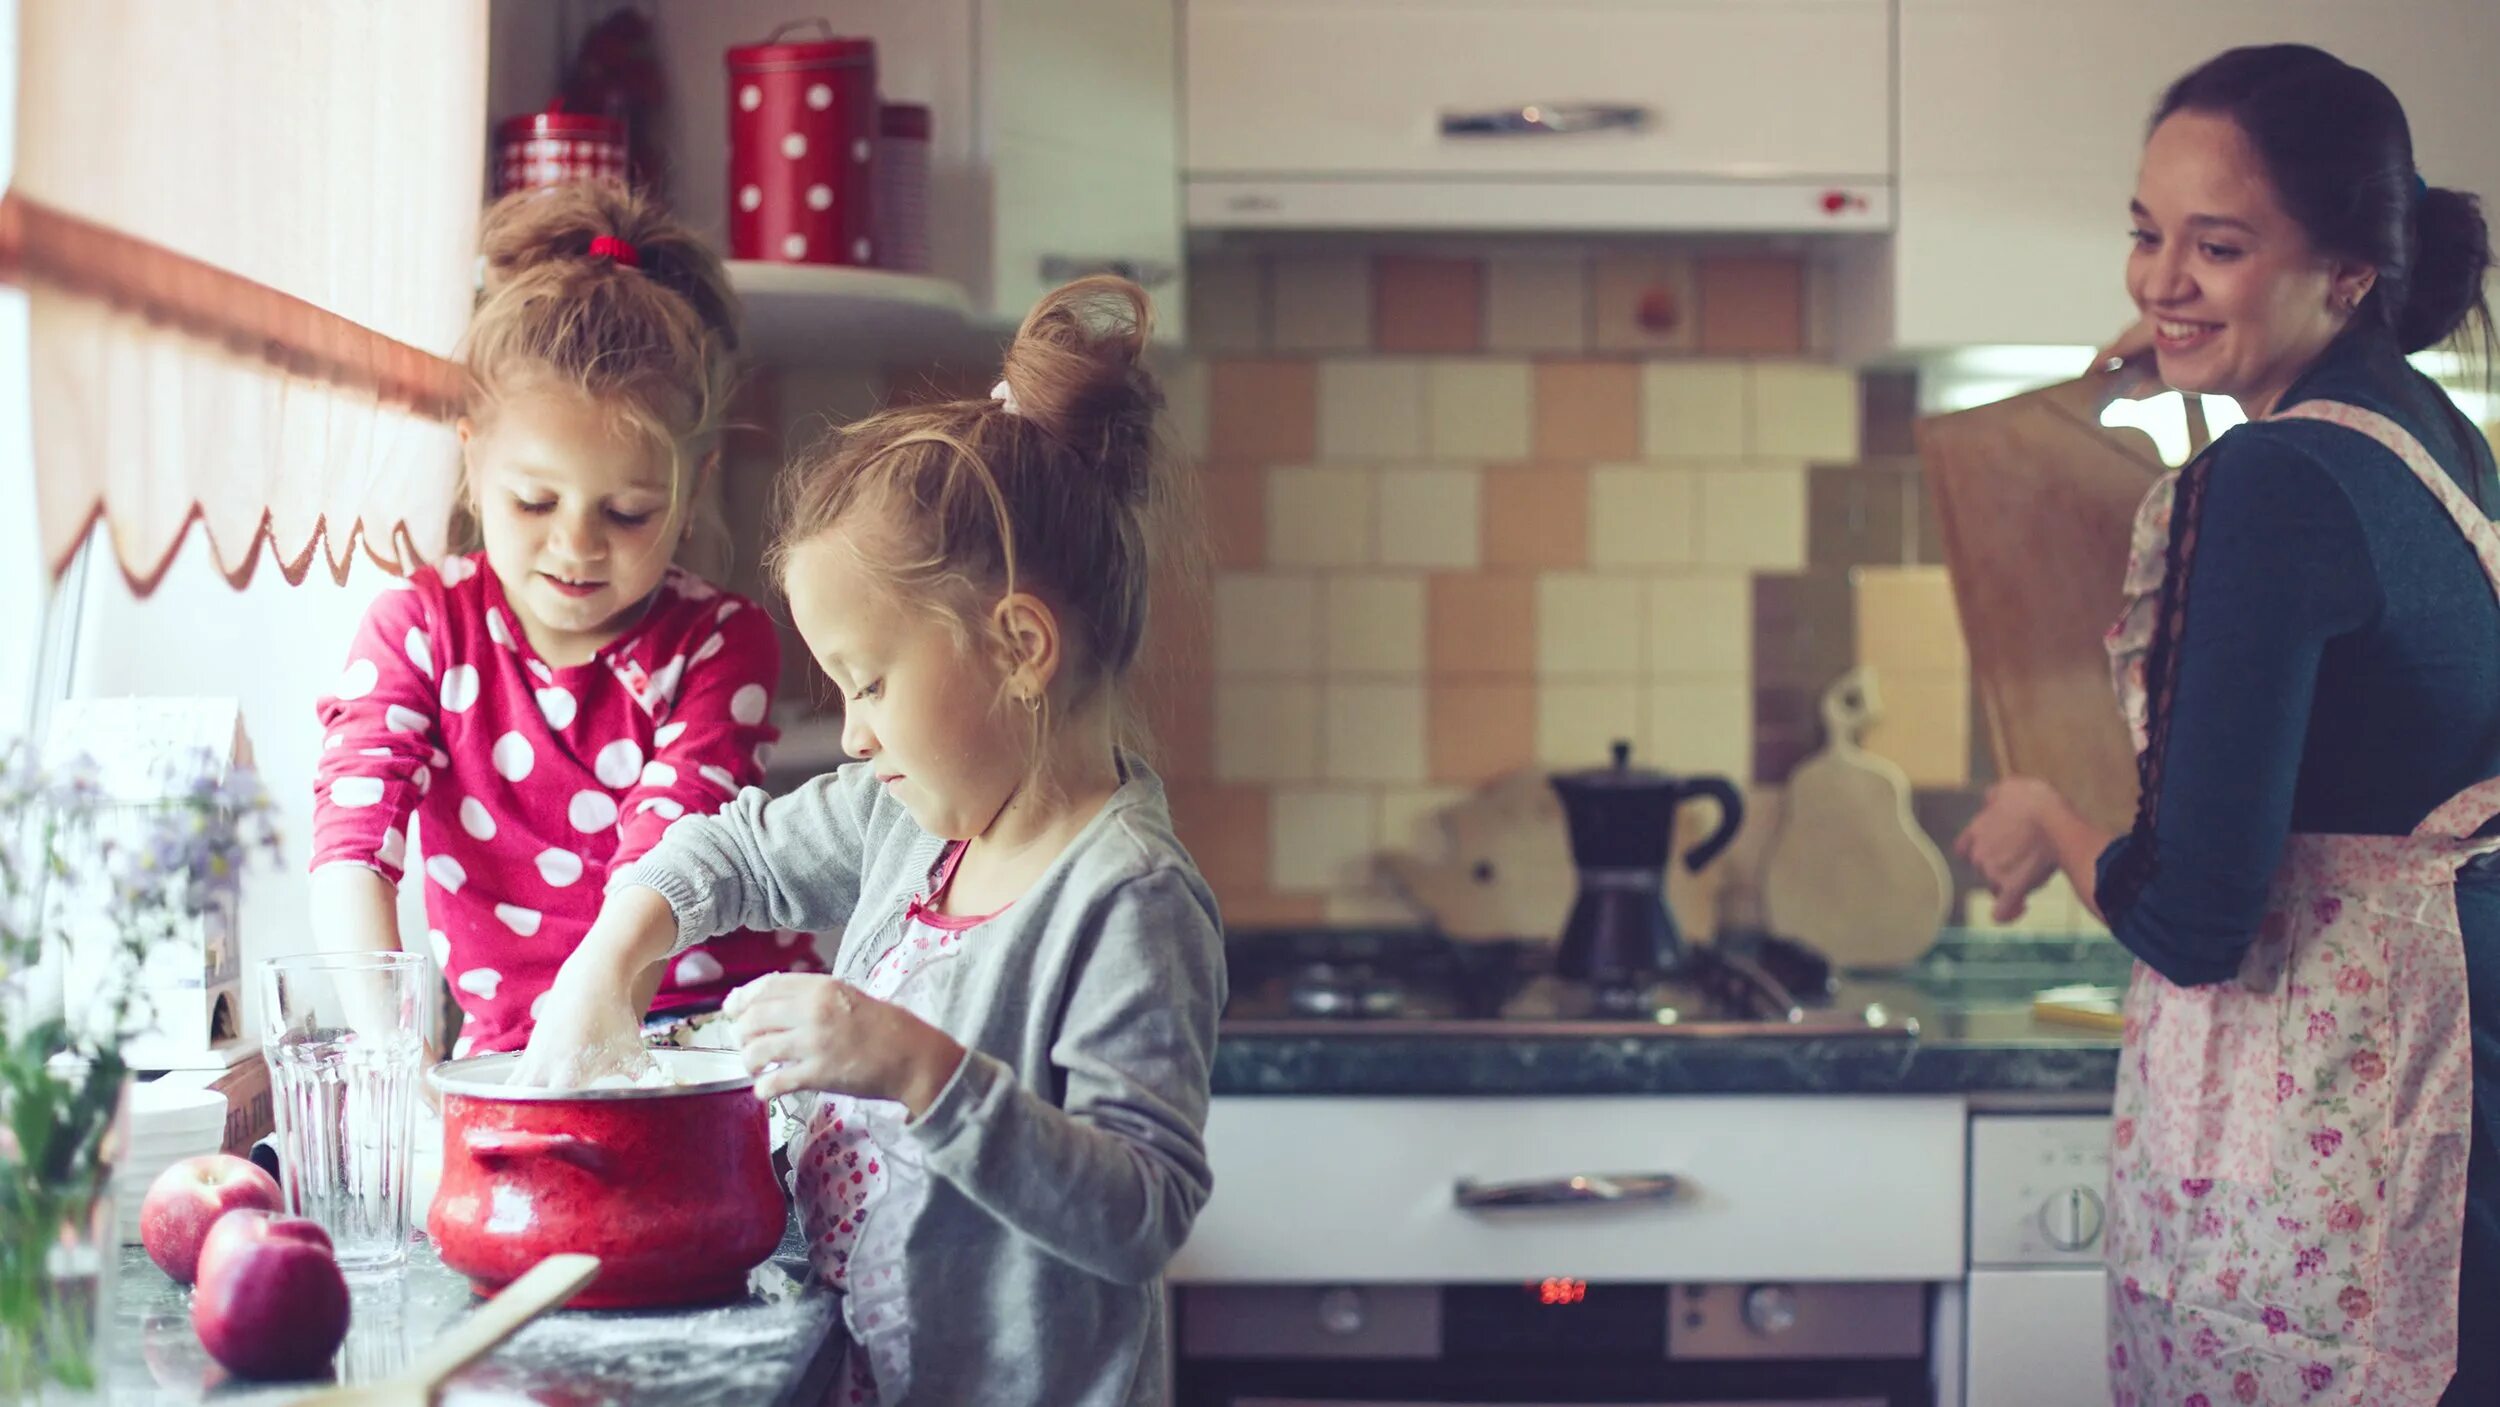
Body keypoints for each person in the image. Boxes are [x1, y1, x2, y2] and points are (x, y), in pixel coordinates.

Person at [515, 276, 1223, 1407]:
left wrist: (914, 1067)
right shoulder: (904, 817)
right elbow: (733, 853)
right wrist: (607, 963)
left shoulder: (1125, 900)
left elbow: (1140, 1215)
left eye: (871, 681)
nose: (851, 731)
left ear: (1018, 646)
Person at [1954, 44, 2500, 1407]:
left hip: (2330, 1151)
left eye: (2221, 246)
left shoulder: (2266, 480)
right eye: (2148, 235)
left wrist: (2046, 816)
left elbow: (2196, 911)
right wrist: (2180, 357)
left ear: (2350, 272)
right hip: (2455, 1099)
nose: (2160, 282)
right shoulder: (2435, 436)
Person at [309, 181, 818, 1058]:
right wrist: (394, 1050)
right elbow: (352, 844)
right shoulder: (419, 630)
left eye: (626, 512)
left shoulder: (719, 643)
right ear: (472, 462)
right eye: (534, 500)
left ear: (693, 491)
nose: (576, 546)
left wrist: (588, 1032)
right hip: (514, 1053)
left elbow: (664, 861)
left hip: (709, 1034)